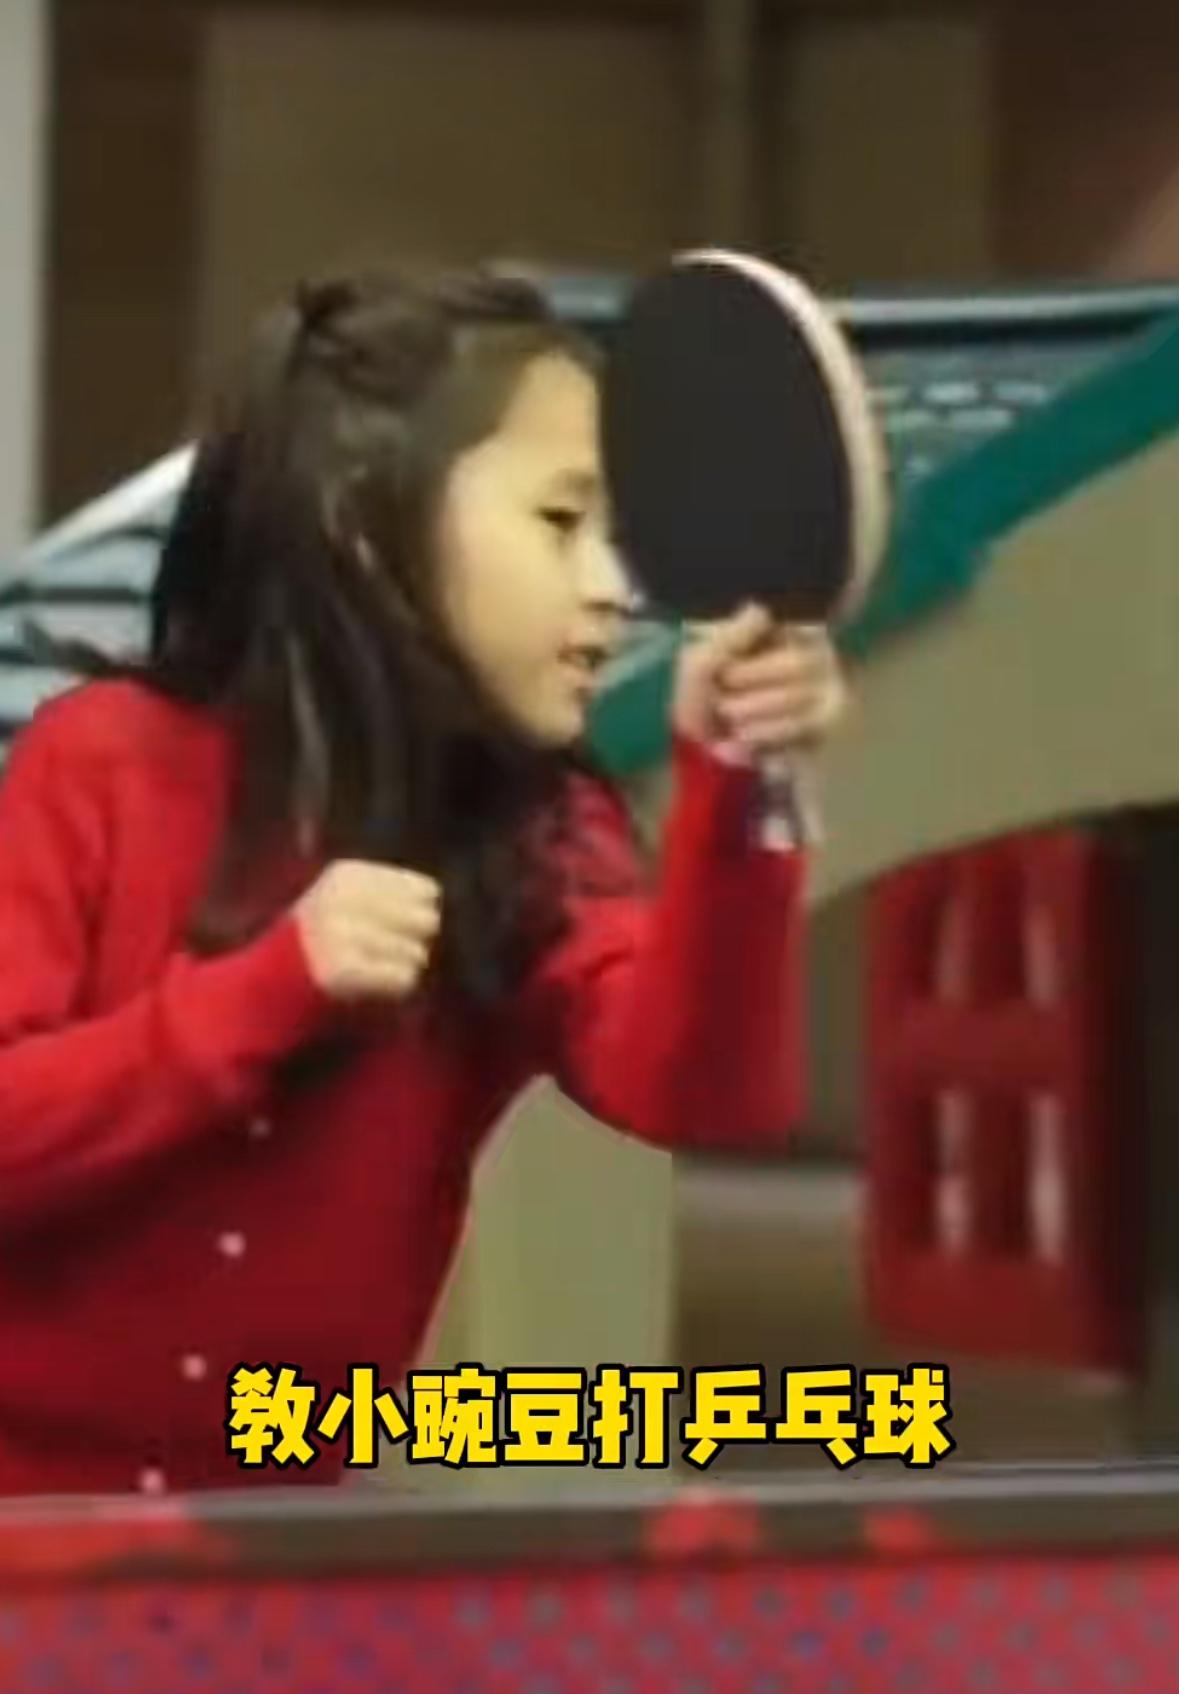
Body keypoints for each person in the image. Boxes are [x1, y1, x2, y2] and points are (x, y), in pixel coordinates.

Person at [0, 265, 847, 1496]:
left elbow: (701, 1091)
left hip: (279, 1543)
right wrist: (267, 993)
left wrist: (737, 788)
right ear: (361, 517)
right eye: (560, 522)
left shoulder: (538, 831)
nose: (612, 589)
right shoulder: (97, 763)